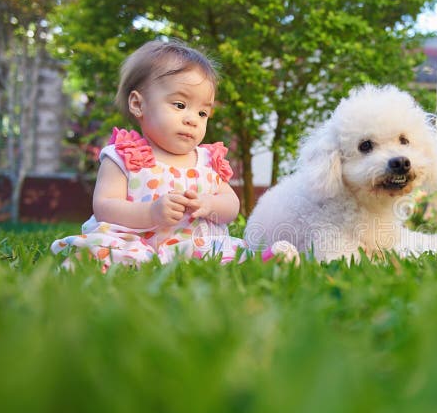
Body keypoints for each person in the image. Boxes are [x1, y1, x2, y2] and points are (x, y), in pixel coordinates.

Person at [52, 39, 285, 269]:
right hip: (135, 242)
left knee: (224, 252)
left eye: (203, 112)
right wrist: (151, 213)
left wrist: (209, 203)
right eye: (180, 105)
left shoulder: (207, 161)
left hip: (192, 244)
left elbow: (232, 205)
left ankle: (266, 262)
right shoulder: (125, 155)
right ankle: (85, 264)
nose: (192, 119)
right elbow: (105, 207)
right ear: (138, 104)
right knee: (109, 250)